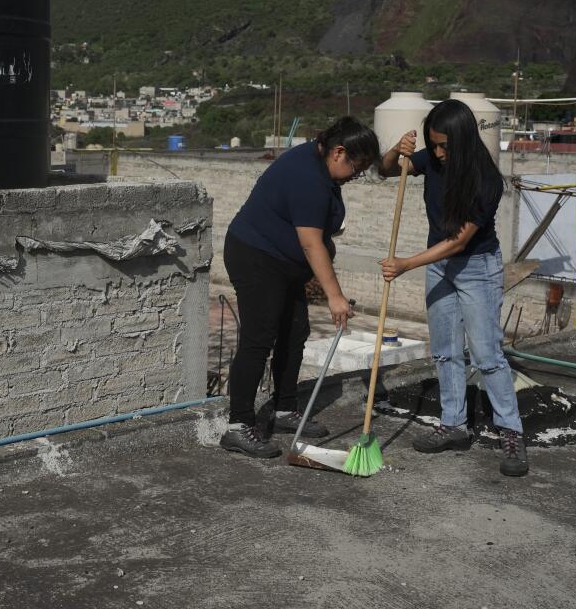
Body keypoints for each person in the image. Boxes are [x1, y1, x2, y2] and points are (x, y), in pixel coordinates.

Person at [377, 99, 528, 477]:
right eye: (434, 144)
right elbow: (386, 171)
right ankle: (454, 424)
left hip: (477, 267)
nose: (438, 154)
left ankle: (512, 432)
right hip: (438, 265)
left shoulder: (486, 180)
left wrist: (408, 263)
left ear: (462, 140)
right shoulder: (433, 156)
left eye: (445, 146)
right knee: (445, 352)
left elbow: (460, 242)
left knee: (486, 355)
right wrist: (398, 150)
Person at [219, 117, 380, 458]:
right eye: (357, 166)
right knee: (259, 338)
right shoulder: (308, 178)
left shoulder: (318, 161)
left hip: (285, 263)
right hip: (257, 257)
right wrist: (335, 296)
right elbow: (310, 243)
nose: (356, 175)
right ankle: (238, 425)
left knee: (294, 332)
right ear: (339, 152)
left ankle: (283, 408)